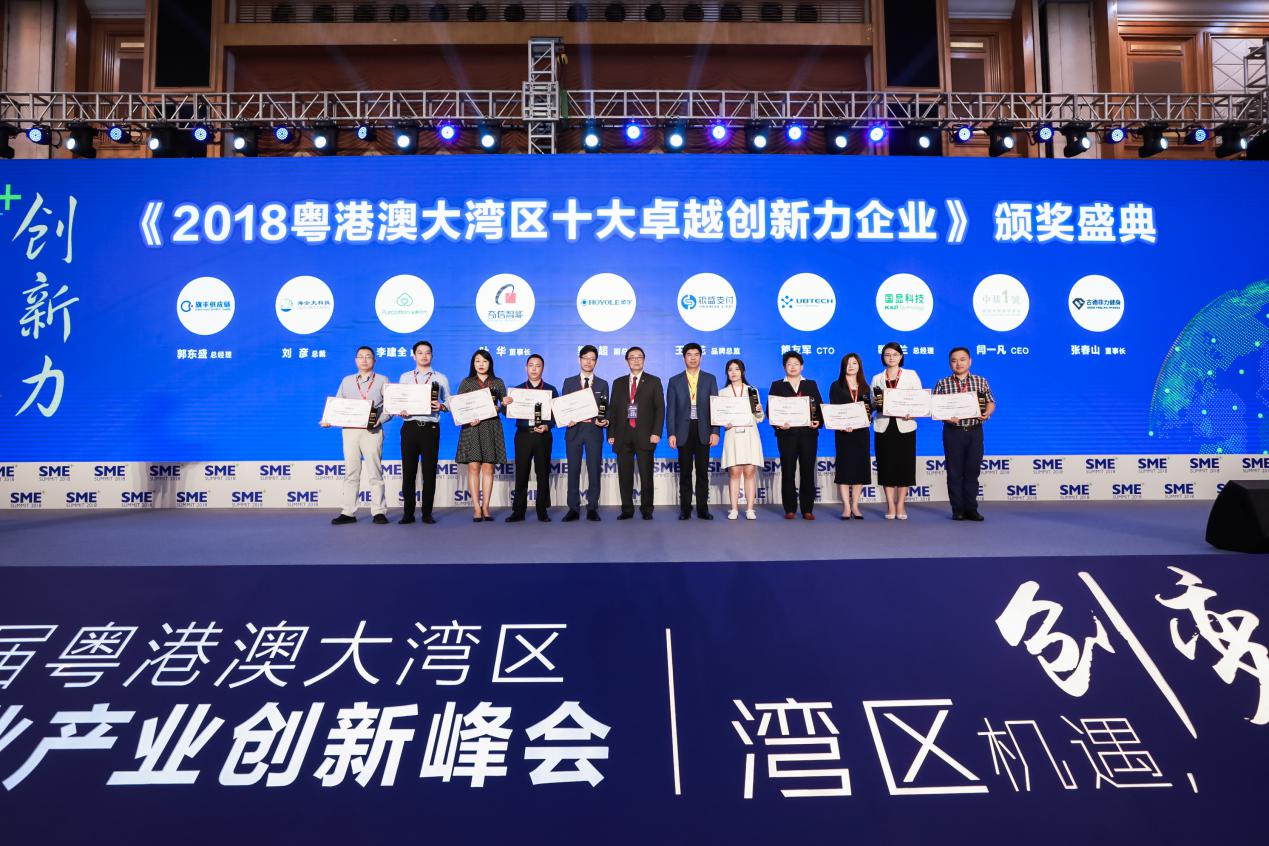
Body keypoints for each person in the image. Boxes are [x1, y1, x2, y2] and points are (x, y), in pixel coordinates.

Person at [323, 345, 390, 525]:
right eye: (361, 356)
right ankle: (348, 512)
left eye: (368, 356)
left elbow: (390, 407)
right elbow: (337, 405)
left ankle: (379, 511)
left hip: (372, 431)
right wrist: (329, 419)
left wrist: (380, 421)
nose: (364, 360)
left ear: (374, 360)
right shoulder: (347, 381)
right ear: (356, 360)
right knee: (351, 472)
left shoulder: (382, 380)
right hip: (350, 431)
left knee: (375, 472)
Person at [933, 346, 996, 522]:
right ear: (949, 364)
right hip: (953, 432)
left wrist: (987, 413)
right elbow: (935, 409)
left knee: (972, 471)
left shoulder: (980, 381)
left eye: (962, 360)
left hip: (975, 431)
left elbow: (991, 402)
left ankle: (971, 509)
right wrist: (946, 417)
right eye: (954, 360)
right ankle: (958, 510)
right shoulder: (942, 383)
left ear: (970, 361)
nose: (958, 363)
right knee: (954, 472)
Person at [606, 346, 664, 520]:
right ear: (627, 361)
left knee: (646, 475)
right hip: (622, 435)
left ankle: (647, 509)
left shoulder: (654, 381)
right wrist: (611, 433)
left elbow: (660, 409)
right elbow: (613, 410)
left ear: (644, 360)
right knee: (624, 476)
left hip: (645, 435)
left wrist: (656, 432)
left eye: (639, 357)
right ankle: (627, 509)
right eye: (632, 357)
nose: (636, 360)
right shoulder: (618, 382)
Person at [396, 340, 450, 524]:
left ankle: (427, 513)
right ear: (414, 356)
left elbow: (449, 402)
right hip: (410, 428)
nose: (424, 356)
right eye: (420, 352)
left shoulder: (441, 378)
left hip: (430, 429)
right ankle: (408, 513)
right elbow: (399, 401)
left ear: (432, 355)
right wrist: (400, 410)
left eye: (427, 352)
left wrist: (441, 406)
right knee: (408, 473)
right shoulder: (405, 377)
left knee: (429, 473)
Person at [666, 342, 720, 520]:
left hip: (704, 430)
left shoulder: (710, 379)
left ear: (701, 358)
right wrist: (671, 433)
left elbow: (715, 407)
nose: (693, 358)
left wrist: (715, 431)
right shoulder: (674, 381)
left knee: (703, 473)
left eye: (696, 354)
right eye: (689, 354)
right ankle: (685, 509)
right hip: (683, 431)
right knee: (685, 473)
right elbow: (671, 410)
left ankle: (703, 509)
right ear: (684, 358)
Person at [767, 350, 823, 520]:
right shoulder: (777, 385)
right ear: (784, 367)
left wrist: (818, 421)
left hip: (808, 434)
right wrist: (778, 423)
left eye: (796, 364)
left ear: (802, 366)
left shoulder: (811, 384)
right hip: (786, 435)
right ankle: (790, 508)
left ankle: (807, 509)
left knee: (807, 471)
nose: (792, 367)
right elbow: (770, 410)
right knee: (788, 471)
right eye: (789, 364)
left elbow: (819, 407)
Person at [454, 349, 507, 522]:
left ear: (490, 363)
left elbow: (506, 409)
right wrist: (468, 419)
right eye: (477, 361)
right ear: (473, 364)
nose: (481, 364)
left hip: (491, 426)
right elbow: (459, 407)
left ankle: (486, 507)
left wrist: (503, 405)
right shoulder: (466, 382)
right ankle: (476, 507)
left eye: (484, 361)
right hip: (472, 428)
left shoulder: (497, 382)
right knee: (473, 468)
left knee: (488, 468)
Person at [505, 353, 559, 523]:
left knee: (542, 474)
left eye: (538, 366)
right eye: (531, 365)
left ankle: (542, 511)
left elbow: (557, 414)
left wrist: (548, 426)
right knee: (521, 474)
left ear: (543, 369)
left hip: (543, 436)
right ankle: (518, 511)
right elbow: (507, 413)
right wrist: (505, 404)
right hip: (523, 435)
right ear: (526, 368)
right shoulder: (517, 391)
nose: (534, 369)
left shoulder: (551, 390)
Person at [871, 341, 921, 520]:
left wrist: (913, 411)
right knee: (886, 466)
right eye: (887, 355)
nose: (891, 358)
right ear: (883, 358)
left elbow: (919, 400)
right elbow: (872, 403)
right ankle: (890, 505)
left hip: (905, 425)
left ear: (901, 356)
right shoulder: (877, 378)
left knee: (905, 465)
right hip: (883, 426)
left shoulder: (911, 375)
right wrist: (874, 404)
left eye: (894, 354)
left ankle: (901, 505)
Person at [560, 345, 609, 522]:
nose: (589, 362)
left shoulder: (603, 384)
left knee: (594, 470)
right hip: (574, 431)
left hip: (594, 432)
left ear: (596, 362)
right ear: (579, 359)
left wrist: (605, 420)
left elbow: (606, 408)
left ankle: (592, 507)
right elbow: (563, 407)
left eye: (592, 359)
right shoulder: (569, 382)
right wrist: (566, 418)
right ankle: (573, 508)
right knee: (573, 470)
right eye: (585, 358)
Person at [829, 352, 873, 520]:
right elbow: (834, 409)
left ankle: (855, 505)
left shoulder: (865, 386)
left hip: (861, 433)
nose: (851, 366)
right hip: (843, 434)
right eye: (848, 363)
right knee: (845, 469)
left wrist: (869, 416)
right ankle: (846, 507)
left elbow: (869, 409)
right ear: (843, 367)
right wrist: (842, 425)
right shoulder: (836, 385)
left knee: (859, 469)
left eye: (854, 363)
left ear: (859, 366)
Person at [718, 358, 763, 520]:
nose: (733, 372)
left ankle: (750, 509)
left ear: (742, 371)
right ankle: (734, 509)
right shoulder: (722, 393)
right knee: (735, 472)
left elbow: (759, 418)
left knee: (750, 472)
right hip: (732, 435)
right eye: (730, 370)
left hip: (750, 434)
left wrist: (759, 410)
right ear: (727, 373)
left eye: (736, 369)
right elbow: (719, 416)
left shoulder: (752, 391)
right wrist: (724, 422)